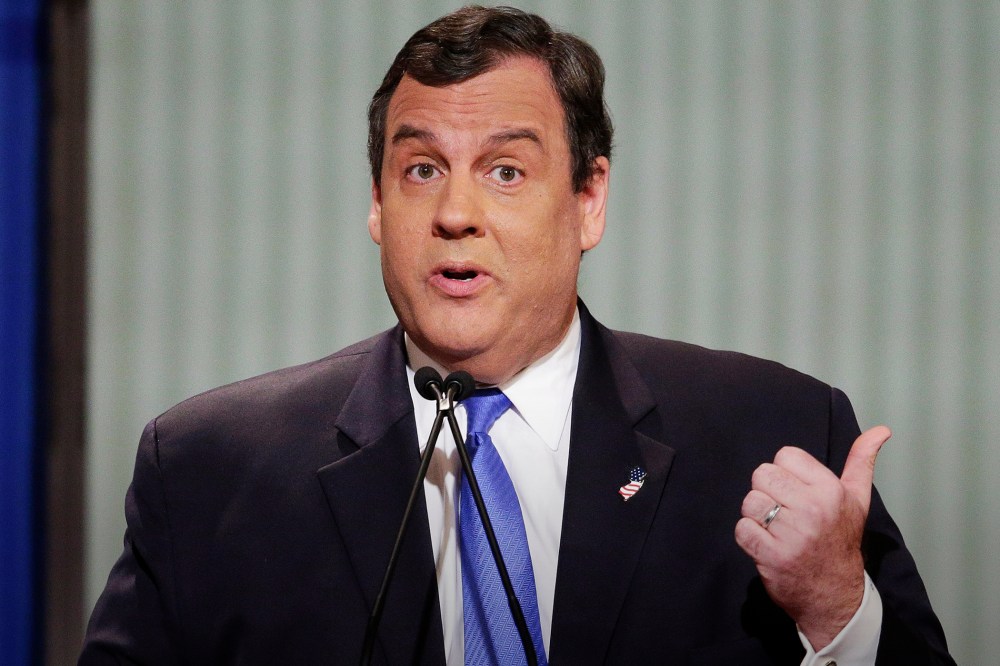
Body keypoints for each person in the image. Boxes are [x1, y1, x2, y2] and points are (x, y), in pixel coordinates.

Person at [80, 6, 954, 665]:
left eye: (505, 171)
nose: (456, 214)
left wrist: (839, 610)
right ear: (378, 206)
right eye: (421, 170)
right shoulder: (205, 473)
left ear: (588, 200)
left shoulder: (772, 435)